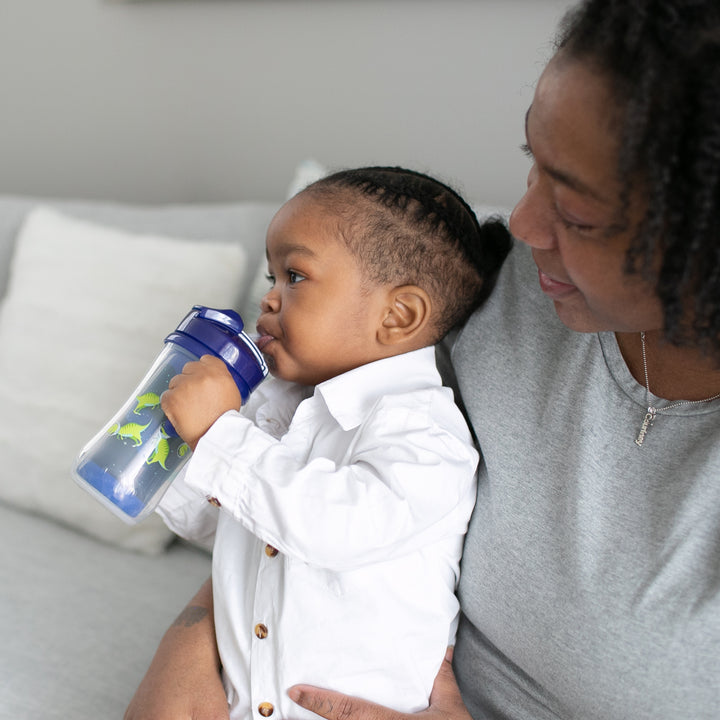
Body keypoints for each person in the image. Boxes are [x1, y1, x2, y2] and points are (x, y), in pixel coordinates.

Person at [125, 0, 720, 718]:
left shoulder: (422, 426)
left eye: (577, 213)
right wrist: (191, 641)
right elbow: (276, 524)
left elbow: (338, 515)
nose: (523, 226)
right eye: (534, 164)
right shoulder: (492, 297)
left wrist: (220, 440)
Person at [148, 166, 512, 720]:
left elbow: (335, 527)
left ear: (399, 315)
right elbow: (211, 523)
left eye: (294, 276)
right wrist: (176, 435)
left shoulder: (426, 432)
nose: (268, 299)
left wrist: (218, 436)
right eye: (271, 278)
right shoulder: (278, 407)